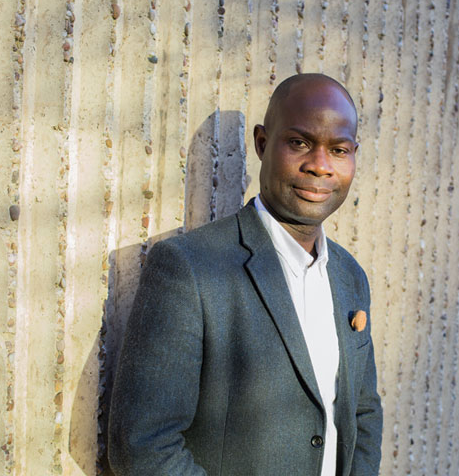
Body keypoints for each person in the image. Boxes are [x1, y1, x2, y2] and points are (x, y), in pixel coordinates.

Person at [108, 74, 383, 476]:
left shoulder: (350, 277)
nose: (320, 166)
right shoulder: (190, 268)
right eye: (299, 143)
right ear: (261, 143)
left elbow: (363, 413)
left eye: (338, 150)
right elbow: (143, 447)